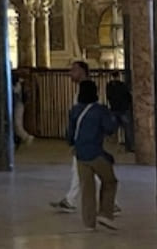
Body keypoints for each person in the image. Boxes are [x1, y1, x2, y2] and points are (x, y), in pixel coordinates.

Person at [68, 79, 119, 231]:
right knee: (110, 181)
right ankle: (105, 213)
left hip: (80, 155)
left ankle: (89, 223)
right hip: (95, 153)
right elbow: (109, 128)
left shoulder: (75, 110)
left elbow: (69, 135)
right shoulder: (100, 110)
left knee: (87, 189)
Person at [51, 61, 92, 212]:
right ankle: (70, 200)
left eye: (73, 70)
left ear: (82, 71)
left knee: (81, 169)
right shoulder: (83, 89)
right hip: (85, 139)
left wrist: (75, 139)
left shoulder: (86, 90)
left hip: (84, 139)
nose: (70, 73)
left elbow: (84, 116)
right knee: (86, 170)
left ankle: (70, 200)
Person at [105, 72, 133, 152]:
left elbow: (108, 96)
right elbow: (128, 97)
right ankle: (129, 147)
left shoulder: (109, 86)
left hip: (114, 109)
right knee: (127, 129)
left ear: (111, 76)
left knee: (113, 129)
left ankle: (112, 147)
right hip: (123, 109)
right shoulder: (123, 85)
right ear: (119, 76)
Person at [12, 71, 35, 146]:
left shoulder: (16, 85)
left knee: (17, 124)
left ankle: (26, 137)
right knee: (17, 123)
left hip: (18, 105)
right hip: (19, 105)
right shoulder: (20, 84)